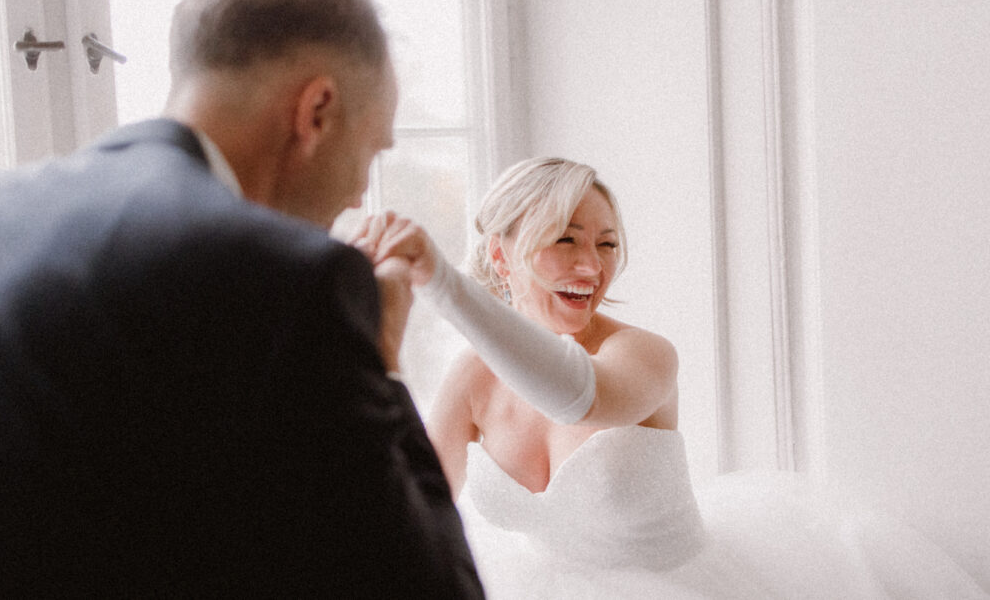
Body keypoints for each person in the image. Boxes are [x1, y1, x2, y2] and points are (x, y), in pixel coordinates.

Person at [0, 0, 483, 597]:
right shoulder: (284, 277)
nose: (357, 196)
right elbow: (430, 586)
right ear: (316, 110)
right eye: (372, 151)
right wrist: (383, 357)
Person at [353, 156, 987, 599]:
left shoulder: (645, 356)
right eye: (567, 240)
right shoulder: (470, 379)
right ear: (500, 254)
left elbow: (580, 398)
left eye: (606, 243)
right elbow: (414, 499)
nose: (591, 265)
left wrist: (442, 284)